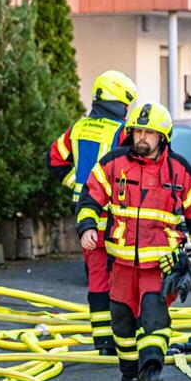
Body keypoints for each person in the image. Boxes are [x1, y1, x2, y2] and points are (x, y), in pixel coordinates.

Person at [77, 101, 191, 381]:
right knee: (121, 321)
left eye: (148, 133)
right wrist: (87, 226)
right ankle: (129, 372)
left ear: (162, 136)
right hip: (122, 263)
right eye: (137, 131)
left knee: (154, 317)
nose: (140, 137)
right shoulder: (113, 164)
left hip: (160, 264)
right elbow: (90, 196)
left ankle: (151, 370)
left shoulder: (180, 171)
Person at [48, 70, 137, 356]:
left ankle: (103, 342)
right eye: (126, 105)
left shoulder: (77, 128)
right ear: (117, 101)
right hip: (116, 219)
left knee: (98, 278)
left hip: (86, 219)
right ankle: (126, 336)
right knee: (126, 276)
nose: (127, 111)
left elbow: (54, 160)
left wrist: (76, 182)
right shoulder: (122, 132)